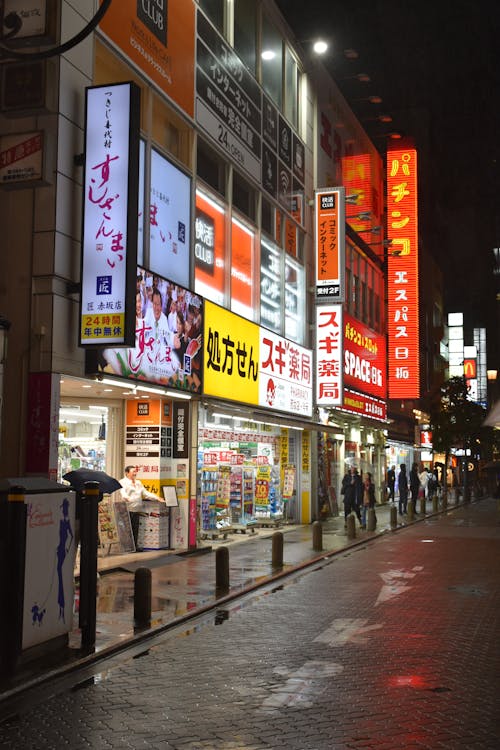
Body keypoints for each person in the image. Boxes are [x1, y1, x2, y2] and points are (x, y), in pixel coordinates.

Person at [120, 466, 161, 550]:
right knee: (128, 529)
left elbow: (145, 493)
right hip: (127, 509)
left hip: (137, 509)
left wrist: (157, 498)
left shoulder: (138, 482)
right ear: (127, 473)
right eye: (133, 472)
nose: (135, 473)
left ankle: (135, 546)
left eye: (135, 472)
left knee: (135, 528)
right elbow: (123, 493)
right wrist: (127, 498)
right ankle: (127, 547)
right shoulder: (122, 482)